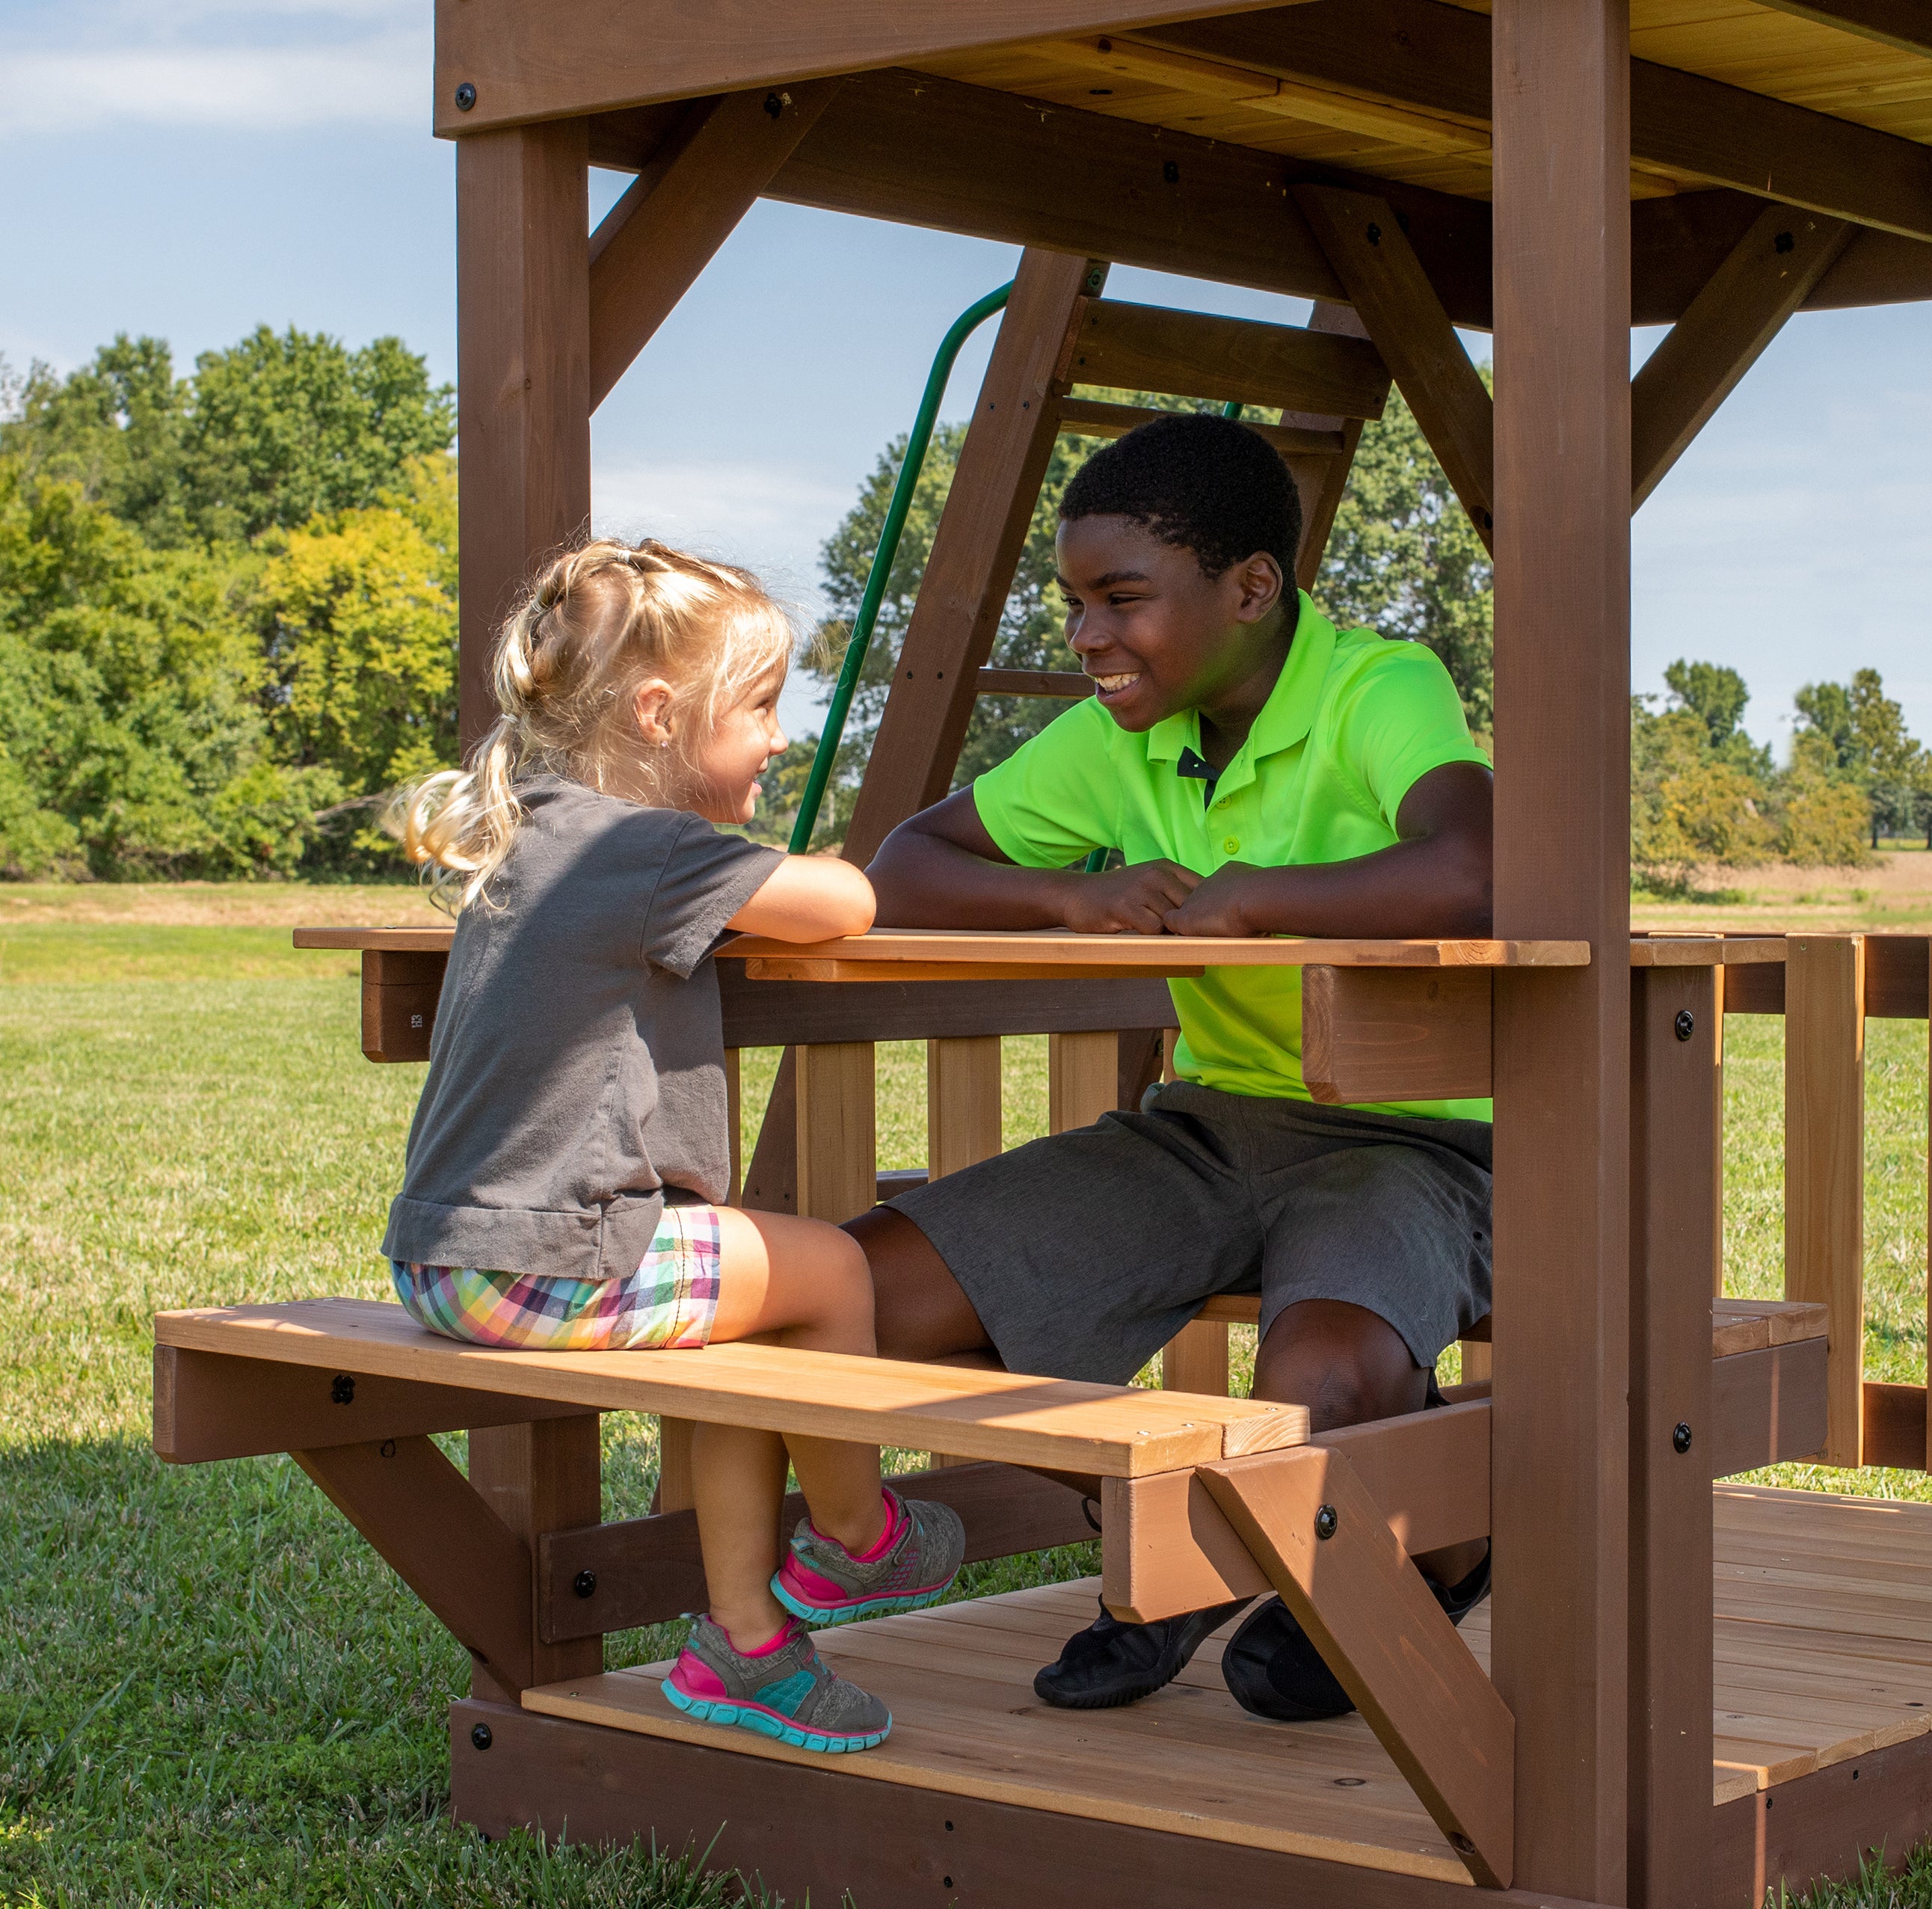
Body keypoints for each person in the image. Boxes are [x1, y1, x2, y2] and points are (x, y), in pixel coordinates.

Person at [849, 414, 1493, 1721]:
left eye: (1121, 599)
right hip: (1203, 1132)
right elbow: (903, 867)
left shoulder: (1378, 686)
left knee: (1320, 1385)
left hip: (1412, 1143)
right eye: (1074, 604)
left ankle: (1444, 1551)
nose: (1086, 637)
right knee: (863, 1300)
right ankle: (1186, 1541)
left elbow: (1478, 868)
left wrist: (1257, 898)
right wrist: (1066, 898)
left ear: (1250, 589)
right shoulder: (1119, 734)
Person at [381, 538, 963, 1755]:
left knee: (756, 1316)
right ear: (658, 715)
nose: (778, 740)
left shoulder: (537, 830)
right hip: (546, 1260)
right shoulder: (637, 848)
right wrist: (804, 862)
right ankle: (858, 1538)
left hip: (449, 1255)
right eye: (758, 709)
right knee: (830, 1270)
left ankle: (743, 1645)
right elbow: (847, 902)